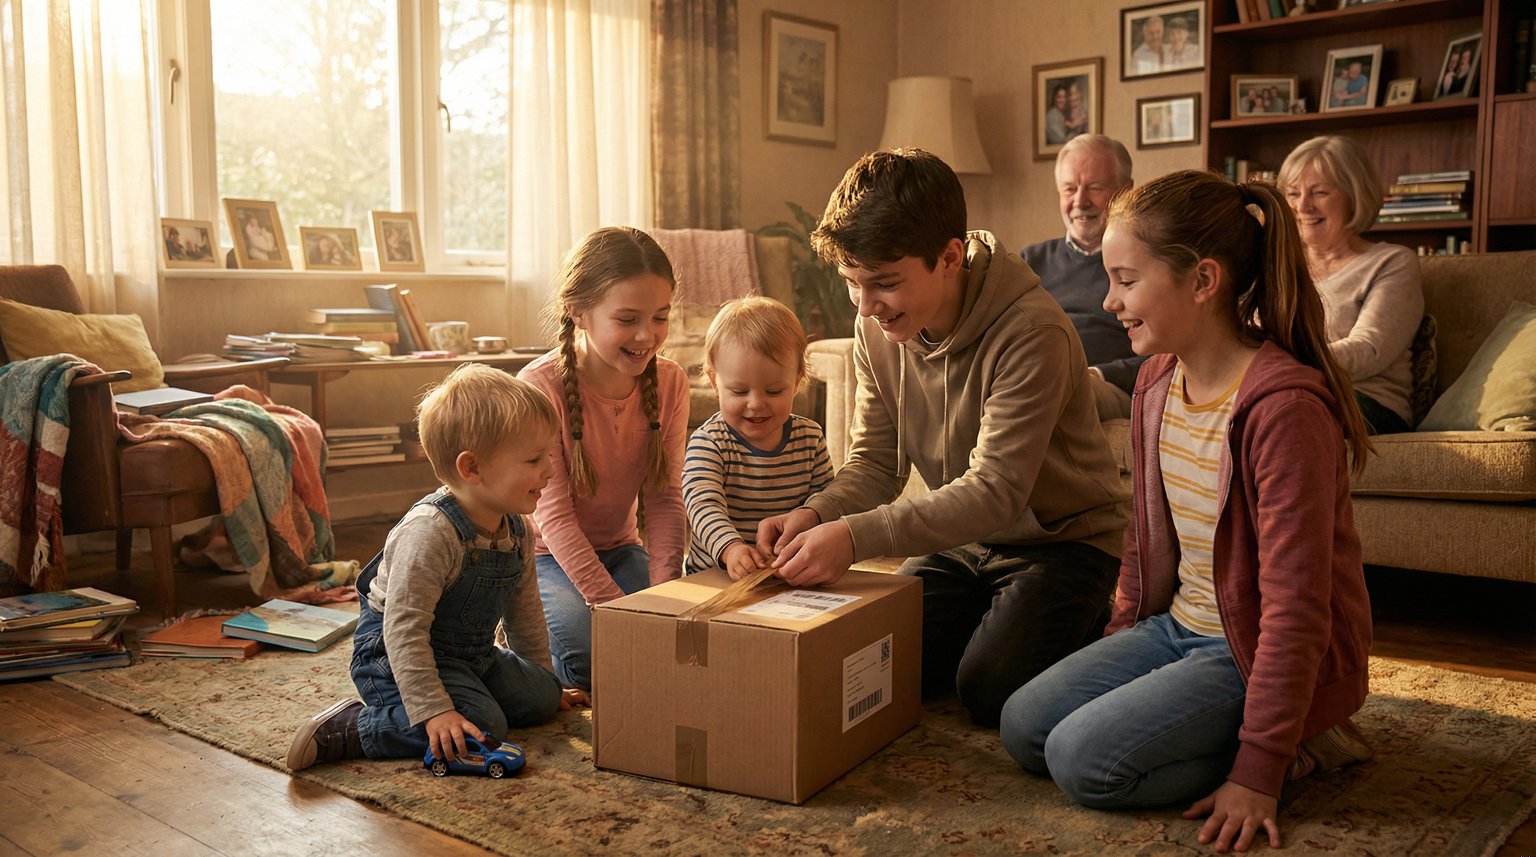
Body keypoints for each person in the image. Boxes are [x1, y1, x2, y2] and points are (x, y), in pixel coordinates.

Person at [998, 169, 1375, 852]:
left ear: (1204, 281)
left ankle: (1291, 744)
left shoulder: (1284, 409)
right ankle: (1267, 730)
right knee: (1024, 725)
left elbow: (1297, 606)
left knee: (1084, 762)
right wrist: (1122, 651)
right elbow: (1144, 551)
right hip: (1180, 627)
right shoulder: (1155, 380)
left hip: (1254, 647)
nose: (1109, 301)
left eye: (1126, 279)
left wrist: (1256, 773)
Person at [755, 149, 1128, 728]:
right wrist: (816, 510)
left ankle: (1096, 619)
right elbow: (877, 462)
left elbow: (996, 491)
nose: (866, 305)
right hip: (963, 540)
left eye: (883, 284)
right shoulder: (874, 326)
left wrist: (853, 538)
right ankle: (995, 621)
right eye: (852, 283)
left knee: (988, 689)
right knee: (877, 660)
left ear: (949, 257)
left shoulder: (1033, 330)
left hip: (1063, 541)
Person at [285, 364, 576, 772]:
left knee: (543, 697)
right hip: (394, 654)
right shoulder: (431, 534)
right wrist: (434, 710)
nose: (549, 469)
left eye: (549, 454)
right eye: (533, 459)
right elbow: (403, 629)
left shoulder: (518, 529)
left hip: (472, 655)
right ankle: (352, 726)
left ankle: (470, 698)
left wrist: (543, 682)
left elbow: (525, 614)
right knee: (481, 723)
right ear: (471, 468)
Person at [518, 226, 689, 692]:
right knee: (596, 658)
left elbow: (666, 497)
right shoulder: (540, 385)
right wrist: (615, 609)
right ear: (580, 312)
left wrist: (664, 593)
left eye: (660, 317)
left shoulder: (671, 383)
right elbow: (552, 517)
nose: (646, 335)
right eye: (628, 318)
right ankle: (518, 629)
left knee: (675, 640)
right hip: (545, 555)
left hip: (620, 548)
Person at [1279, 135, 1424, 433]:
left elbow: (1369, 349)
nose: (1303, 206)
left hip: (1366, 401)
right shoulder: (1277, 265)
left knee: (1280, 409)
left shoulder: (1391, 263)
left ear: (1353, 196)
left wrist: (1278, 364)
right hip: (1281, 388)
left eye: (1319, 193)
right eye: (1293, 194)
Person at [682, 296, 833, 577]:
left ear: (797, 382)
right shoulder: (710, 442)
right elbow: (702, 505)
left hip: (785, 574)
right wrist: (731, 549)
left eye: (774, 391)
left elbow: (824, 502)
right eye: (740, 391)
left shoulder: (810, 438)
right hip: (715, 574)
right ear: (715, 383)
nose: (756, 404)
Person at [1023, 135, 1144, 420]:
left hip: (1102, 384)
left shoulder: (1147, 264)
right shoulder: (1029, 262)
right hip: (1029, 375)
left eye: (1094, 188)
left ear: (1126, 191)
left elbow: (1170, 354)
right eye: (1069, 189)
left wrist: (1101, 373)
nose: (1080, 201)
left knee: (1048, 388)